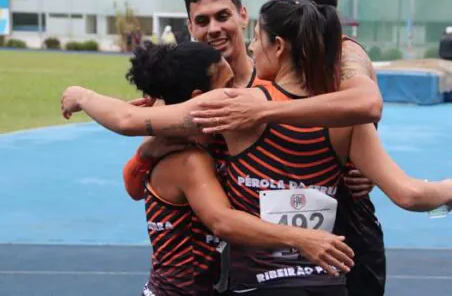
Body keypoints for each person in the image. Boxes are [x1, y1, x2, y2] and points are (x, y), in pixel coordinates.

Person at [61, 0, 452, 295]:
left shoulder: (238, 106)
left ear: (279, 47)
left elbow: (127, 121)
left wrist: (81, 94)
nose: (250, 49)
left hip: (257, 282)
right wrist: (448, 193)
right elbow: (409, 195)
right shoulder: (347, 120)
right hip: (325, 283)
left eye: (257, 40)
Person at [189, 0, 385, 295]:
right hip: (235, 252)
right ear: (190, 27)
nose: (214, 29)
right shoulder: (189, 84)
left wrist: (365, 168)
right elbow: (144, 145)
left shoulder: (337, 59)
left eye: (223, 16)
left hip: (330, 248)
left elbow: (366, 109)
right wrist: (154, 145)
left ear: (243, 15)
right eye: (201, 21)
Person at [117, 40, 356, 296]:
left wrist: (352, 167)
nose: (238, 93)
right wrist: (301, 238)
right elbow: (222, 221)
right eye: (229, 86)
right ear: (200, 98)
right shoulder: (185, 157)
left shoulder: (223, 133)